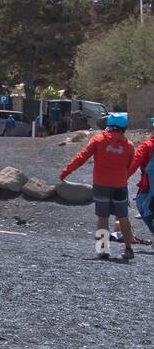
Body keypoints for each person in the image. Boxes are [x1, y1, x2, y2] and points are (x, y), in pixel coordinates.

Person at [61, 112, 136, 261]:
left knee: (102, 217)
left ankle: (103, 250)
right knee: (123, 217)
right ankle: (128, 249)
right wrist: (122, 177)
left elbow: (82, 157)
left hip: (101, 184)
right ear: (124, 127)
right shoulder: (129, 145)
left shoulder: (98, 140)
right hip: (120, 186)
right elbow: (130, 166)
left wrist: (66, 171)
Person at [128, 119, 154, 242]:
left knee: (144, 208)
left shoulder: (147, 145)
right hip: (148, 182)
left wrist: (125, 177)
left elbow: (135, 161)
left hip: (148, 183)